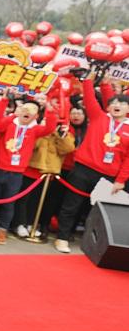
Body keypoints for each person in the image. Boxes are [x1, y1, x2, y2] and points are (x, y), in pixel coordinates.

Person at [53, 82, 129, 253]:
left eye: (122, 103)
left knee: (97, 211)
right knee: (71, 205)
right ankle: (62, 238)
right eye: (113, 103)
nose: (117, 106)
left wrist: (121, 181)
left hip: (108, 176)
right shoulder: (98, 116)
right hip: (83, 169)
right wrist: (89, 80)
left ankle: (92, 243)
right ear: (108, 106)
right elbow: (89, 97)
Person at [0, 95, 57, 244]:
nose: (27, 113)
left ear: (36, 116)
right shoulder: (9, 123)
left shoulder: (35, 129)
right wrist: (5, 102)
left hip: (16, 173)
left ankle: (3, 230)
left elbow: (50, 128)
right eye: (25, 110)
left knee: (9, 204)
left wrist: (50, 112)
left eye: (32, 112)